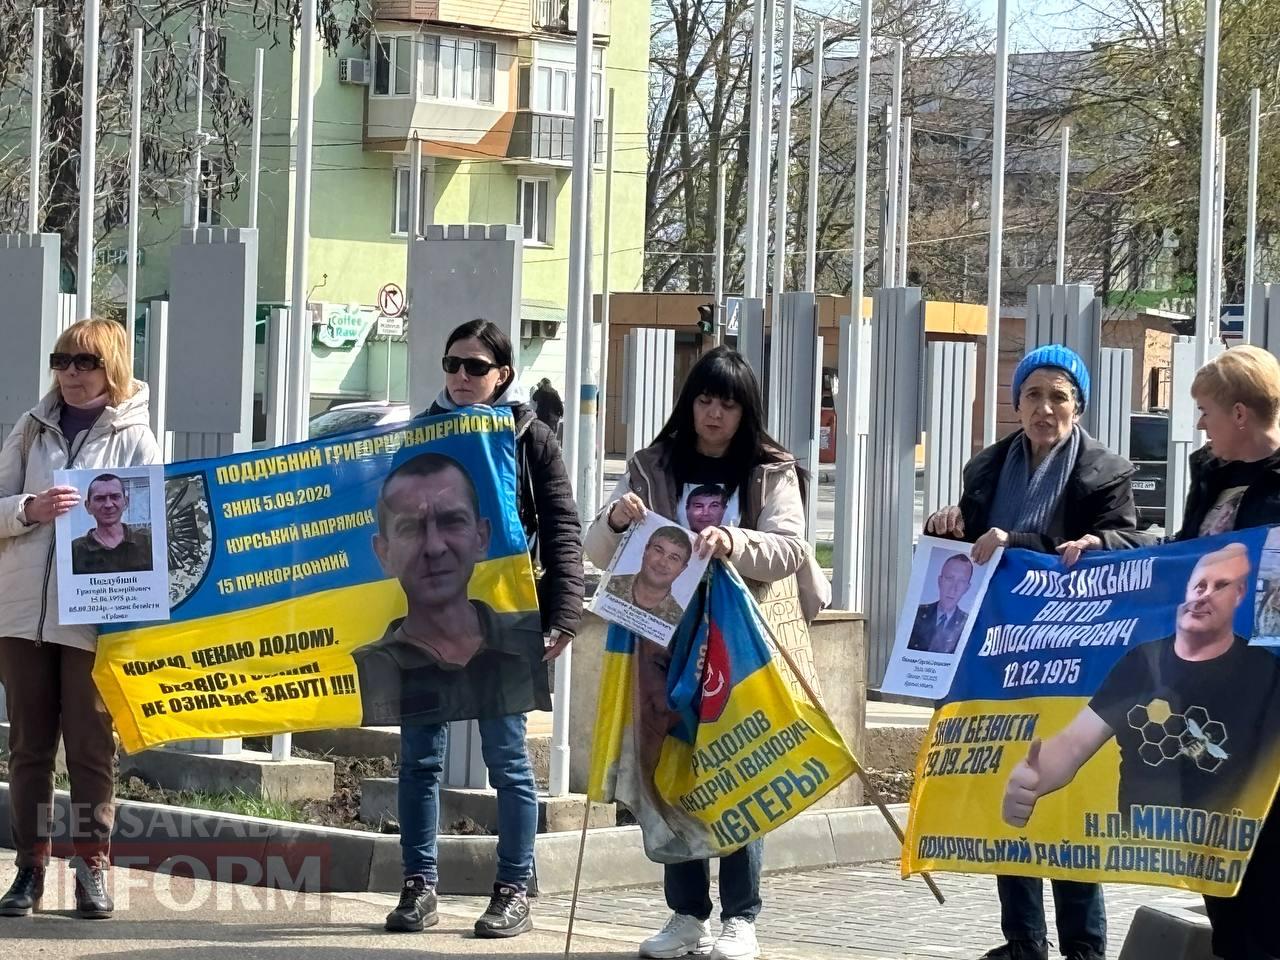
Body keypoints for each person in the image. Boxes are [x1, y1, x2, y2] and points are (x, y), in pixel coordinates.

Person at [584, 345, 831, 960]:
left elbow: (790, 549)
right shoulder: (652, 465)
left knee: (738, 764)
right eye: (704, 400)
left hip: (739, 649)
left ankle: (741, 917)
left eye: (727, 403)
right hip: (661, 645)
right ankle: (686, 914)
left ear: (747, 411)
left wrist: (733, 540)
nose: (714, 414)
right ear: (688, 404)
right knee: (670, 769)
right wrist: (616, 520)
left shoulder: (771, 469)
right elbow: (598, 551)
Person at [924, 343, 1147, 960]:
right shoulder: (986, 468)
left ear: (1079, 406)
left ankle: (1083, 945)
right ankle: (1023, 940)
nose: (1045, 408)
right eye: (1033, 396)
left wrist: (1094, 542)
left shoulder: (1106, 472)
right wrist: (948, 523)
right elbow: (969, 548)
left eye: (1059, 397)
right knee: (1010, 787)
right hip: (999, 660)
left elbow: (1133, 542)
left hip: (1073, 659)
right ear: (1016, 404)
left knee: (1067, 797)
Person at [378, 319, 582, 940]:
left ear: (503, 375)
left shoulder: (528, 436)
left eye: (475, 367)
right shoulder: (418, 434)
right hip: (426, 616)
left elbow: (562, 525)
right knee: (419, 760)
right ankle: (419, 886)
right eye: (452, 364)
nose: (461, 376)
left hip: (505, 620)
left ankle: (513, 889)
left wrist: (564, 613)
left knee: (508, 762)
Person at [0, 319, 161, 920]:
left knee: (92, 748)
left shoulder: (136, 438)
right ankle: (30, 868)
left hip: (97, 619)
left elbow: (152, 534)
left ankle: (93, 866)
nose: (70, 372)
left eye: (85, 362)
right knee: (28, 748)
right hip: (23, 615)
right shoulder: (30, 429)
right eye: (62, 360)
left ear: (111, 366)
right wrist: (29, 508)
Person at [1002, 544, 1280, 831]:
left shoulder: (1266, 671)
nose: (1204, 595)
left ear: (1240, 594)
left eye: (1220, 586)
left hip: (1226, 847)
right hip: (1140, 846)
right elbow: (1074, 743)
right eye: (1199, 585)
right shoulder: (1142, 661)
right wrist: (1035, 778)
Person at [1164, 345, 1280, 960]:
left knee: (1265, 860)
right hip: (1206, 693)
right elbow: (1181, 557)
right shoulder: (1211, 476)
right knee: (1215, 845)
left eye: (1206, 411)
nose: (1200, 425)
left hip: (1268, 702)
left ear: (1239, 413)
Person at [353, 451, 545, 727]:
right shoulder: (367, 668)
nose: (434, 547)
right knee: (420, 755)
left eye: (452, 522)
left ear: (482, 538)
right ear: (384, 553)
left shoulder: (523, 641)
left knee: (508, 750)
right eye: (410, 527)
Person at [603, 525, 693, 626]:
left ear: (682, 568)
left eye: (673, 558)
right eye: (658, 551)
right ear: (646, 549)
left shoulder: (678, 621)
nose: (662, 563)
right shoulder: (608, 586)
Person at [69, 473, 153, 575]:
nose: (108, 505)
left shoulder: (148, 542)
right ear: (88, 506)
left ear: (126, 502)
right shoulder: (74, 551)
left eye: (115, 497)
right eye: (100, 498)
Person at [907, 552, 973, 655]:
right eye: (949, 578)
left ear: (967, 588)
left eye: (961, 582)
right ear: (940, 581)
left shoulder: (970, 624)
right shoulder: (915, 614)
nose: (953, 589)